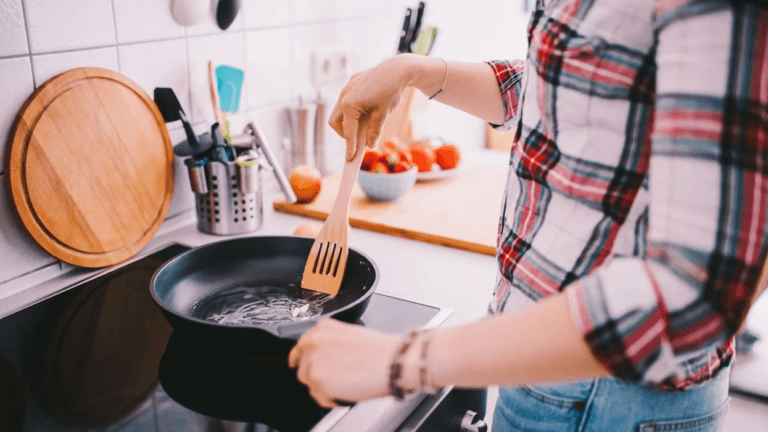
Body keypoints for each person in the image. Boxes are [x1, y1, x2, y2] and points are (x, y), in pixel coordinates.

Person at [288, 0, 768, 429]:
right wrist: (418, 70)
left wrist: (403, 360)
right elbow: (575, 84)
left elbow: (698, 292)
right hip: (536, 359)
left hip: (615, 396)